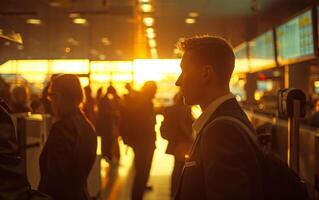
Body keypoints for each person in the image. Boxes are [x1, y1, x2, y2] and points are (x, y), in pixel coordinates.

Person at [174, 36, 263, 200]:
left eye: (184, 70)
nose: (178, 82)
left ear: (206, 73)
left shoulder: (222, 131)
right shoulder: (226, 120)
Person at [38, 74, 97, 200]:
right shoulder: (88, 127)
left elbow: (54, 181)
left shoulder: (61, 129)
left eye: (51, 95)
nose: (50, 100)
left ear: (58, 97)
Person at [160, 92, 193, 197]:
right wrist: (191, 138)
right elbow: (182, 124)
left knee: (177, 166)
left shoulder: (171, 109)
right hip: (183, 142)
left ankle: (174, 190)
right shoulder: (185, 109)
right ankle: (179, 191)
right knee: (182, 167)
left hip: (174, 142)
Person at [129, 81, 157, 200]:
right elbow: (145, 124)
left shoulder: (141, 100)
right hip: (144, 143)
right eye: (154, 90)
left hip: (141, 142)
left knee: (141, 172)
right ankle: (137, 196)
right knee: (142, 172)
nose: (155, 93)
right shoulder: (144, 103)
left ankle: (137, 194)